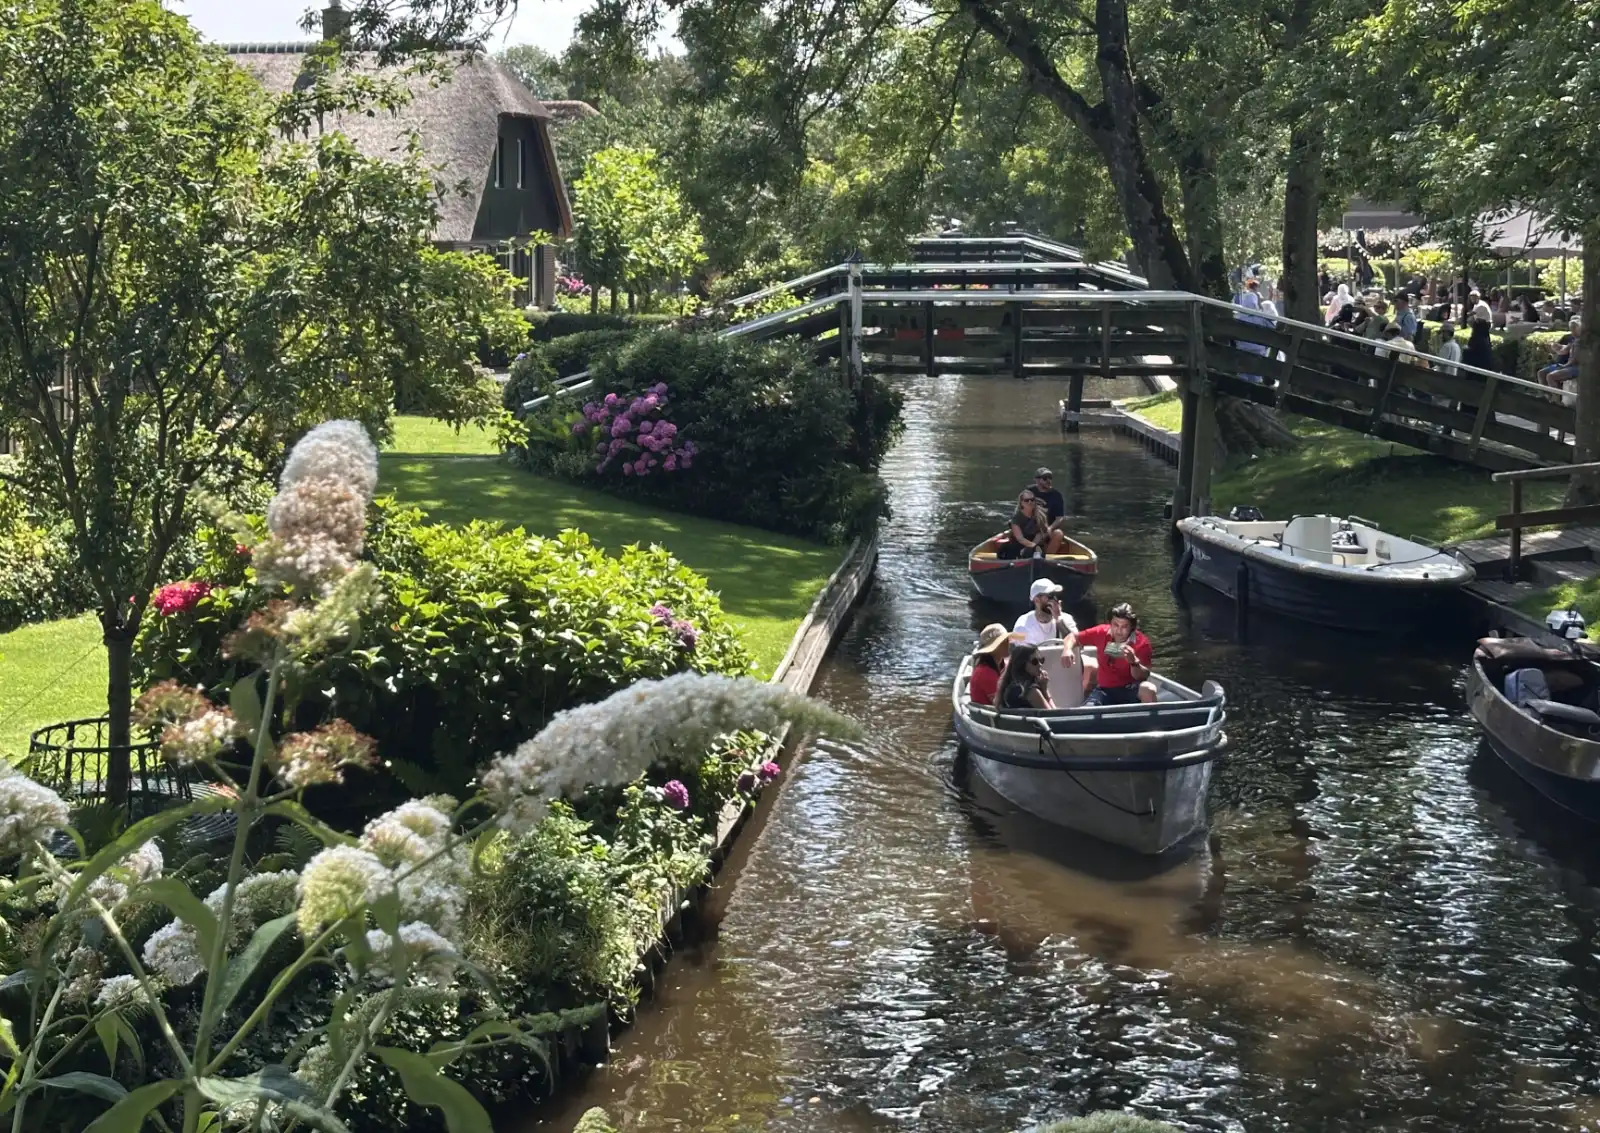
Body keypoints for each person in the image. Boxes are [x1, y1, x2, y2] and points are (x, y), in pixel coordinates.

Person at [1077, 602, 1157, 706]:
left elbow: (1143, 676)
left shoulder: (1142, 642)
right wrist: (1068, 650)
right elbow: (1074, 637)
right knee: (1089, 709)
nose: (1119, 631)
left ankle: (1150, 721)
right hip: (1104, 690)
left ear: (1132, 627)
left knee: (1148, 689)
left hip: (1130, 688)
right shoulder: (1100, 632)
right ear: (1110, 623)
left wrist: (1134, 663)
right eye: (1115, 625)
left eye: (1124, 627)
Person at [1014, 578, 1079, 647]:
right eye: (1050, 596)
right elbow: (1025, 655)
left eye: (1056, 595)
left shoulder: (1066, 618)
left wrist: (1059, 621)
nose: (1055, 600)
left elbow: (1077, 645)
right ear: (1037, 600)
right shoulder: (1023, 624)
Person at [968, 623, 1018, 707]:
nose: (1007, 644)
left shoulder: (1002, 664)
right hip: (988, 717)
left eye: (1007, 640)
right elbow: (1001, 705)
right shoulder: (985, 673)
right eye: (1002, 642)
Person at [997, 642, 1054, 711]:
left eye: (1041, 660)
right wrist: (1045, 690)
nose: (1040, 665)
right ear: (1022, 664)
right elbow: (1054, 714)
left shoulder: (1009, 685)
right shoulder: (1031, 691)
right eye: (1035, 661)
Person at [1000, 490, 1048, 559]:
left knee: (1037, 553)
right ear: (1021, 503)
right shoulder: (1016, 518)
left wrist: (1034, 545)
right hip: (1018, 544)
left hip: (1034, 543)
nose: (1030, 502)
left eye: (1032, 500)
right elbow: (1020, 538)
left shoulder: (1040, 515)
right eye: (1026, 500)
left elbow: (1041, 533)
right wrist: (1032, 546)